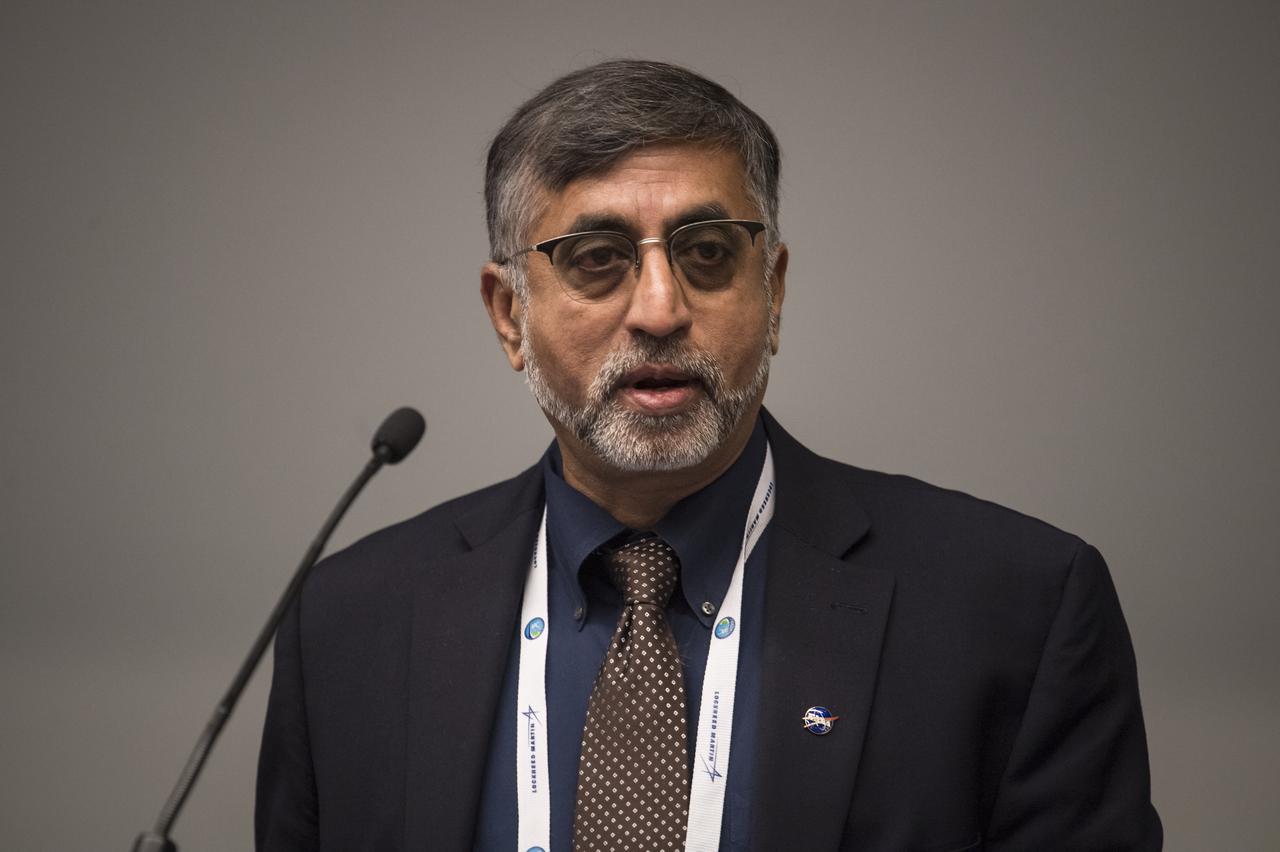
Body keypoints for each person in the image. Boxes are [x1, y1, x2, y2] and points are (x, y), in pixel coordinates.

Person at [256, 59, 1162, 852]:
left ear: (773, 290)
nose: (660, 310)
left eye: (707, 252)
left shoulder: (1015, 609)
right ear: (509, 316)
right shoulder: (348, 623)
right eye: (596, 258)